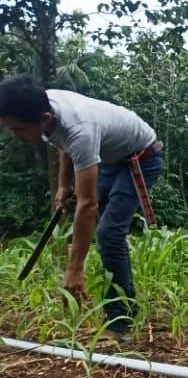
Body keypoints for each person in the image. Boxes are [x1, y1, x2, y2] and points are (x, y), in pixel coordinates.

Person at [0, 75, 163, 340]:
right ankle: (122, 302)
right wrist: (64, 185)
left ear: (44, 118)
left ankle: (120, 321)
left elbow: (87, 204)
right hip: (110, 155)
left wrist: (75, 268)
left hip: (141, 158)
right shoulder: (48, 108)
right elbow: (63, 144)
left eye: (17, 129)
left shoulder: (81, 130)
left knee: (108, 232)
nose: (14, 135)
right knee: (103, 230)